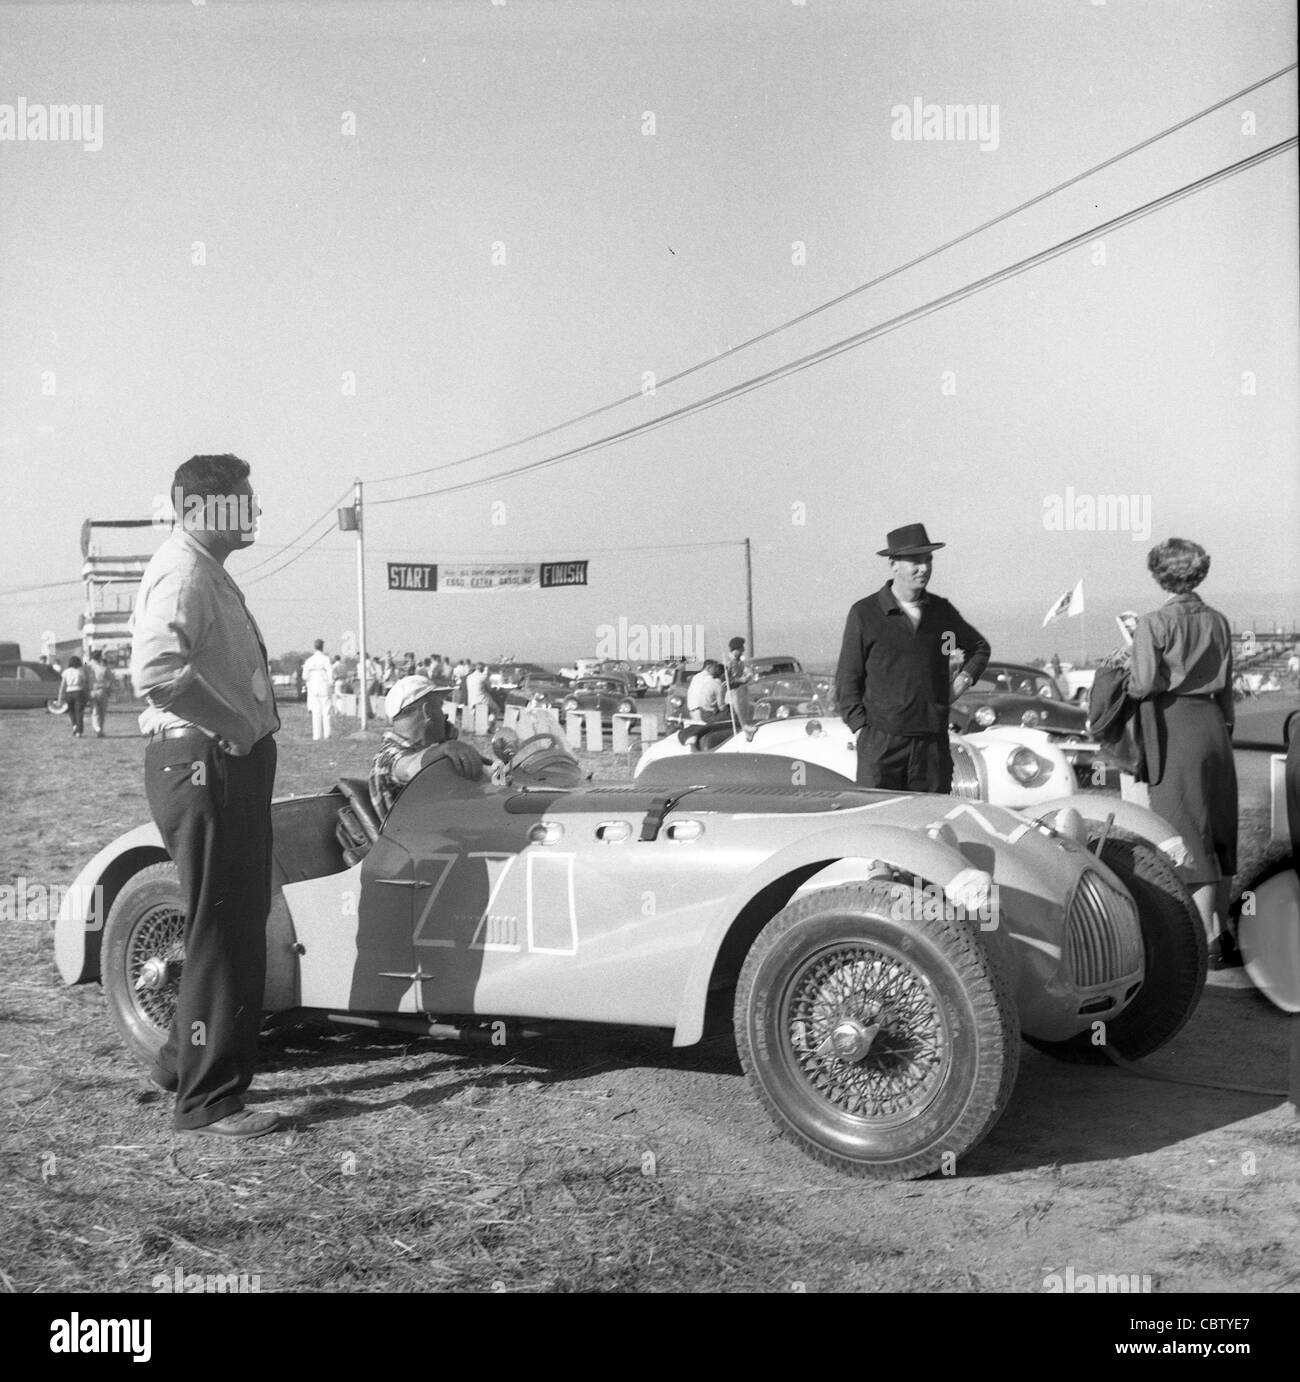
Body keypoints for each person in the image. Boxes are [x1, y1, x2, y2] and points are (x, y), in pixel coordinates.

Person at [130, 452, 281, 1140]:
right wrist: (240, 727)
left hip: (213, 758)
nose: (254, 513)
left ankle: (177, 1063)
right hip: (205, 759)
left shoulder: (201, 568)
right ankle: (210, 1100)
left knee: (220, 920)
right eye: (242, 501)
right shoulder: (186, 569)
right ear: (201, 507)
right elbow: (156, 670)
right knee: (225, 925)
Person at [1125, 537, 1239, 970]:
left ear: (1160, 575)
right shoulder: (1218, 620)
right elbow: (1227, 687)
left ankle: (1203, 940)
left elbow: (1144, 684)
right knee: (1220, 827)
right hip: (1213, 726)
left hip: (1174, 724)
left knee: (1185, 831)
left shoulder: (1154, 623)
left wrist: (1126, 667)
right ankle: (1222, 931)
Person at [835, 523, 990, 792]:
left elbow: (978, 647)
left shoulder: (941, 612)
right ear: (893, 565)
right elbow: (847, 680)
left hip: (931, 747)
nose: (924, 568)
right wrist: (861, 730)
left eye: (928, 559)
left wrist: (959, 684)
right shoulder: (865, 614)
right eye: (915, 561)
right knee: (882, 827)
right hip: (880, 748)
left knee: (929, 826)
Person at [369, 674, 485, 819]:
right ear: (427, 711)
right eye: (440, 708)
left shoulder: (430, 751)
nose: (445, 716)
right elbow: (409, 769)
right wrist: (448, 746)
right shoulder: (388, 755)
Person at [301, 638, 333, 740]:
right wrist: (330, 684)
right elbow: (330, 673)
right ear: (322, 647)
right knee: (326, 711)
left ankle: (317, 735)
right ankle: (327, 734)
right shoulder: (326, 659)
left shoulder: (309, 660)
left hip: (313, 687)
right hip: (324, 686)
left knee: (316, 712)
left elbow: (304, 676)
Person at [86, 648, 115, 737]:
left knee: (94, 711)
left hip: (91, 691)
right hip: (102, 690)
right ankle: (100, 730)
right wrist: (109, 691)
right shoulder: (104, 668)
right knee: (102, 712)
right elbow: (111, 680)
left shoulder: (87, 666)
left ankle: (97, 727)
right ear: (99, 657)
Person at [60, 656, 89, 737]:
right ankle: (79, 731)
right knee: (79, 712)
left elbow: (62, 685)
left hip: (69, 691)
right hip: (78, 691)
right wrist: (87, 694)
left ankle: (74, 726)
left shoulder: (66, 672)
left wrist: (60, 697)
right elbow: (84, 684)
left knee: (71, 711)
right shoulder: (80, 671)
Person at [724, 636, 751, 720]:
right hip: (733, 694)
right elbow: (726, 681)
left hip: (739, 693)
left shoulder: (738, 661)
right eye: (742, 647)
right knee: (738, 719)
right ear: (737, 648)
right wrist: (741, 680)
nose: (744, 650)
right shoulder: (730, 662)